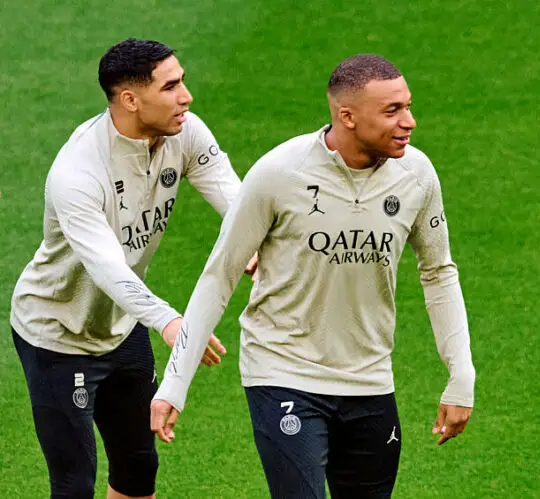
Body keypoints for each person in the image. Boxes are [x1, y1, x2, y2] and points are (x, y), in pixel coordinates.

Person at [151, 54, 476, 498]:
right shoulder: (279, 173)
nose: (409, 122)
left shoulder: (416, 175)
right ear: (347, 116)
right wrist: (175, 384)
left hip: (369, 379)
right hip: (282, 371)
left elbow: (439, 272)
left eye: (408, 106)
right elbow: (219, 275)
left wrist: (462, 374)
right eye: (392, 111)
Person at [10, 38, 252, 499]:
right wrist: (168, 320)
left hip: (121, 327)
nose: (187, 97)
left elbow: (238, 203)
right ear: (130, 100)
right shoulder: (77, 174)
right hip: (57, 335)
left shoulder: (186, 132)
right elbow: (107, 268)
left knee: (138, 466)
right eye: (172, 86)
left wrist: (253, 246)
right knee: (74, 482)